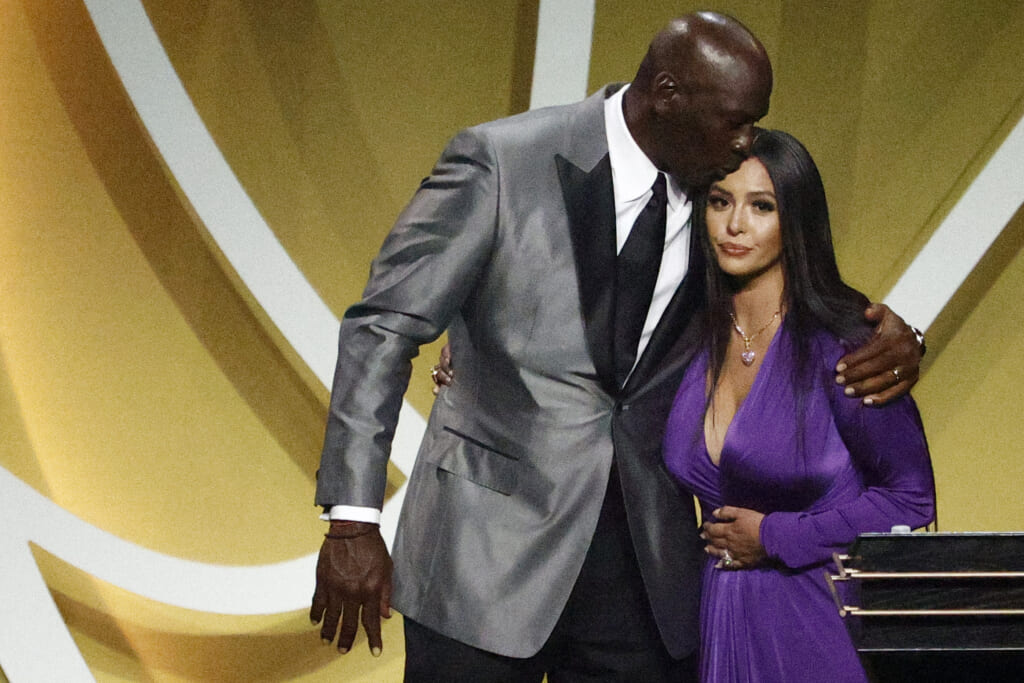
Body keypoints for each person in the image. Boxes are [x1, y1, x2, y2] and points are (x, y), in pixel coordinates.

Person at [310, 12, 924, 682]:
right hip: (482, 556)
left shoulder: (716, 191)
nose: (746, 141)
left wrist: (901, 334)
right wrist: (352, 518)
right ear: (667, 96)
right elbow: (383, 324)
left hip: (643, 571)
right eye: (735, 121)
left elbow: (790, 282)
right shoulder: (502, 162)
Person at [661, 129, 936, 682]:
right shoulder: (683, 338)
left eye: (762, 206)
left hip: (818, 619)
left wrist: (776, 537)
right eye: (720, 202)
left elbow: (911, 499)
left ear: (797, 219)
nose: (735, 225)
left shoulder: (849, 346)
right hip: (721, 619)